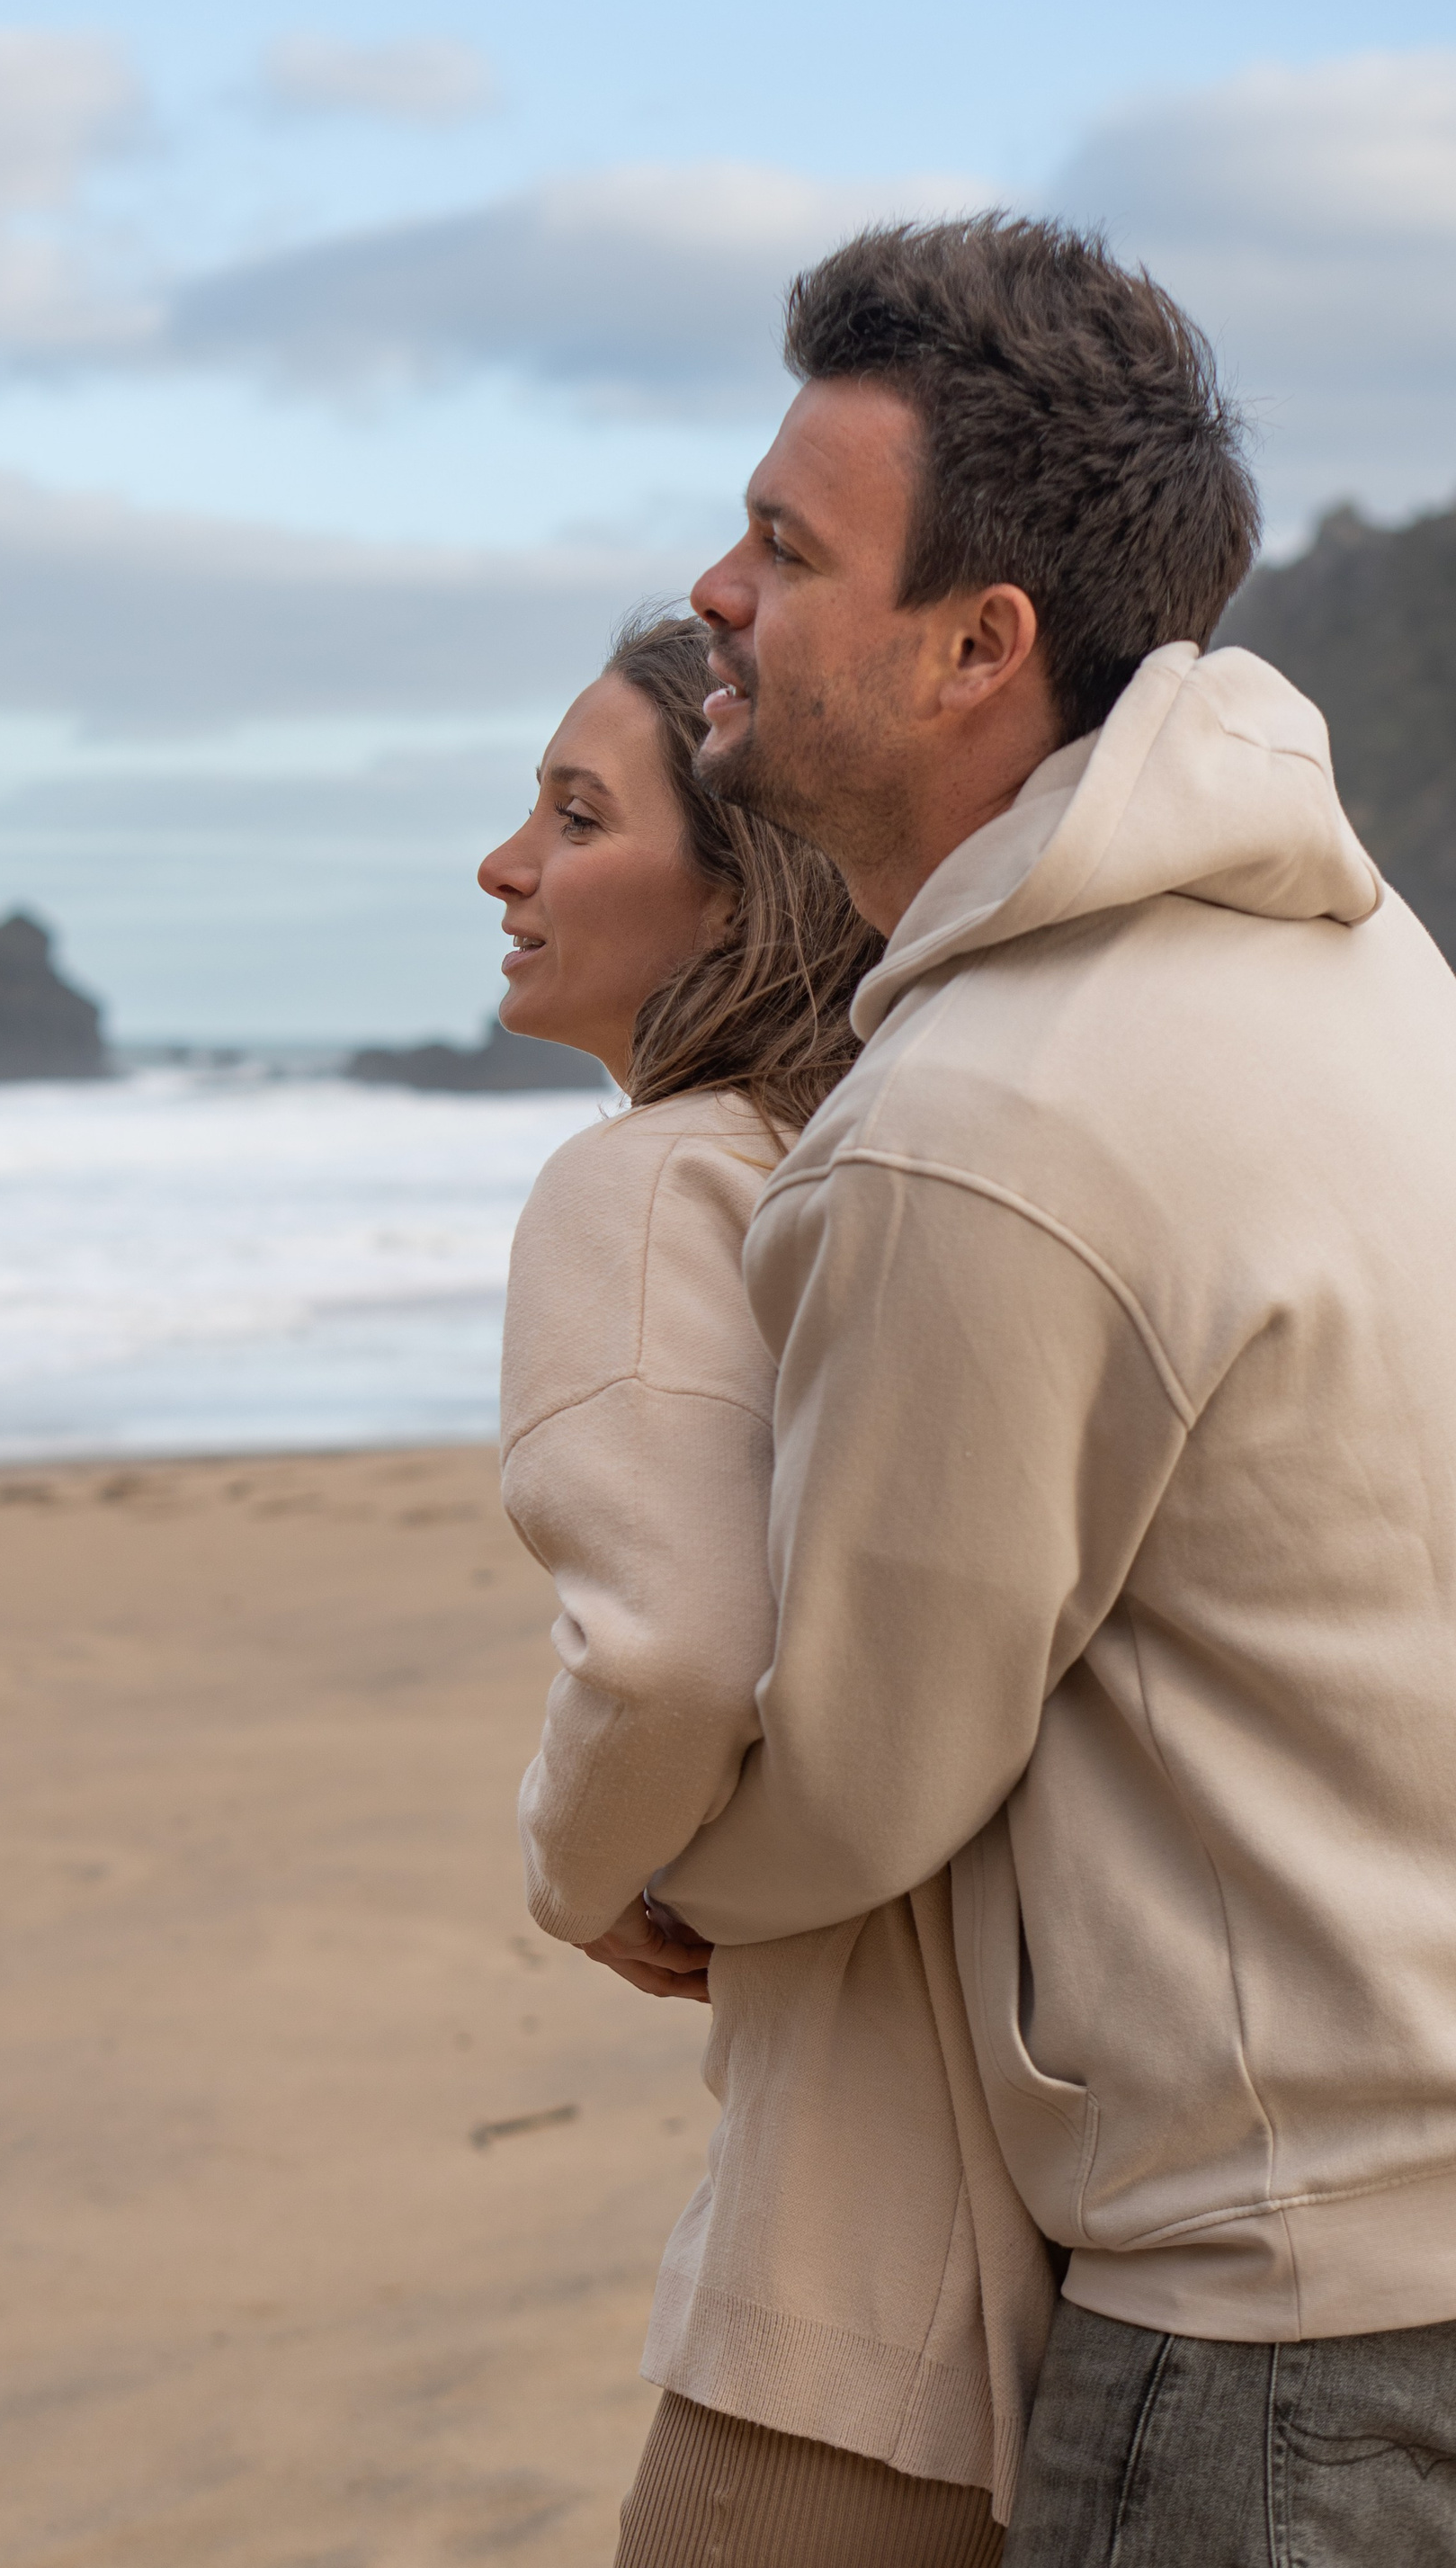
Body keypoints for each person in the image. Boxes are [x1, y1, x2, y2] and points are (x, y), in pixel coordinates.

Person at [643, 214, 1456, 2563]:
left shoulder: (992, 1123)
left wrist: (649, 1870)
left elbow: (858, 1779)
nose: (716, 589)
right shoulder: (1370, 970)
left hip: (1279, 2335)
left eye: (790, 549)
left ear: (981, 645)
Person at [480, 610, 1057, 2567]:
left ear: (739, 894)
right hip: (1091, 2174)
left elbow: (669, 1658)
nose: (504, 868)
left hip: (863, 2242)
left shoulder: (652, 1183)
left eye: (576, 818)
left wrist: (585, 1873)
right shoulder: (900, 1159)